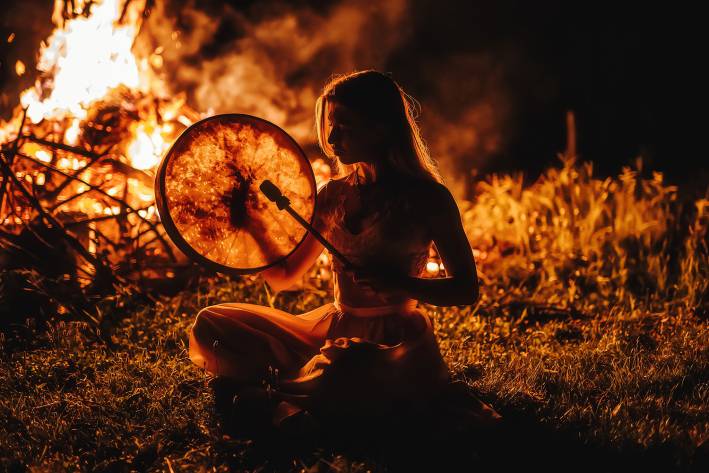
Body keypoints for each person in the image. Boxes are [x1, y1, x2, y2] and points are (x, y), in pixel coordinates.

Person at [188, 70, 500, 434]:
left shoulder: (428, 198)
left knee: (345, 366)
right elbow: (285, 278)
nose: (332, 138)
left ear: (382, 127)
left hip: (393, 340)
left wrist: (402, 284)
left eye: (345, 126)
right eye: (330, 126)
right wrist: (254, 228)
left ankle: (278, 396)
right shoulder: (332, 195)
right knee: (213, 321)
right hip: (330, 327)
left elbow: (466, 289)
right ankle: (295, 391)